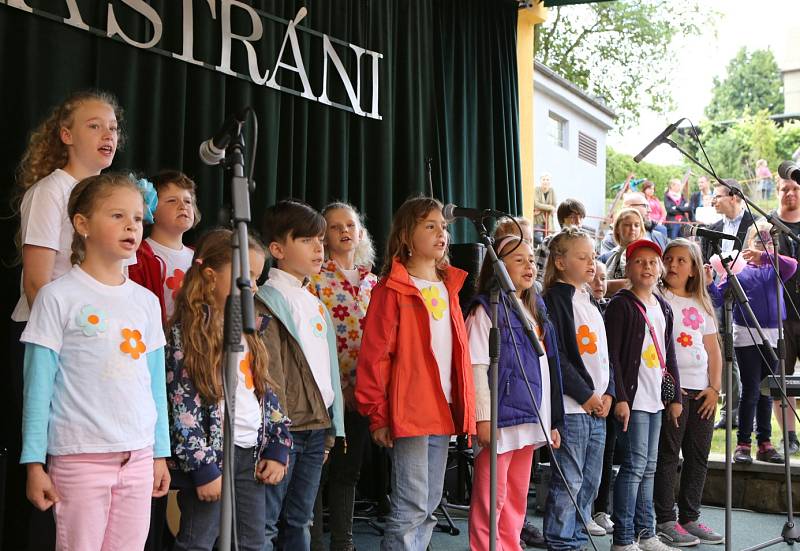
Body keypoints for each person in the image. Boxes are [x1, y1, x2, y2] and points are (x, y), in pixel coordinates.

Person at [20, 173, 170, 549]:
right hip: (79, 458)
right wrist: (34, 463)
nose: (131, 226)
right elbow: (37, 386)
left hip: (138, 457)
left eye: (137, 218)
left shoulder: (146, 302)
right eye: (117, 215)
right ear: (82, 224)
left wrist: (159, 454)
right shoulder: (58, 297)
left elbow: (155, 385)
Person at [8, 89, 124, 550]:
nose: (108, 135)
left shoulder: (111, 196)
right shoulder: (50, 191)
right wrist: (73, 348)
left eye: (114, 128)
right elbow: (37, 282)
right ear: (65, 134)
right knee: (59, 468)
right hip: (53, 341)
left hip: (99, 345)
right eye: (95, 125)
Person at [356, 196, 476, 551]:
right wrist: (377, 415)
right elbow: (375, 357)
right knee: (410, 504)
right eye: (430, 226)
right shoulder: (390, 291)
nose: (442, 234)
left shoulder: (448, 286)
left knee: (429, 503)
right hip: (409, 411)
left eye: (444, 227)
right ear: (407, 235)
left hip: (443, 407)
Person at [167, 229, 292, 551]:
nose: (252, 284)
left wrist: (277, 447)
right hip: (212, 458)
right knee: (198, 540)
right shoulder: (187, 336)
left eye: (256, 276)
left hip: (250, 454)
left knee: (253, 541)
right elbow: (182, 409)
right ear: (210, 276)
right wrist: (203, 467)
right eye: (245, 275)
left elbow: (266, 392)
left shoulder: (251, 332)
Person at [255, 200, 345, 550]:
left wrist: (331, 430)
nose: (319, 247)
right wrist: (273, 433)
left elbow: (329, 374)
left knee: (300, 520)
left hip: (315, 429)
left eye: (320, 239)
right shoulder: (267, 299)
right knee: (265, 525)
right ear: (277, 249)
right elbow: (270, 374)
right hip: (283, 430)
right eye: (306, 239)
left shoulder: (315, 302)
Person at [466, 235, 563, 551]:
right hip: (501, 419)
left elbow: (545, 372)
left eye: (531, 260)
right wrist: (483, 419)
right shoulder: (487, 310)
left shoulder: (534, 308)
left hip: (529, 418)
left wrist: (549, 420)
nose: (529, 266)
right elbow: (477, 367)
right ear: (497, 267)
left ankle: (510, 544)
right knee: (491, 496)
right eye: (518, 260)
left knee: (517, 494)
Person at [605, 239, 682, 551]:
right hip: (634, 401)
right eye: (639, 262)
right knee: (635, 466)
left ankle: (646, 533)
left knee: (649, 466)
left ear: (660, 268)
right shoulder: (621, 305)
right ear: (628, 267)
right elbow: (611, 358)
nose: (647, 267)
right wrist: (620, 396)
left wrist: (674, 397)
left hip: (655, 400)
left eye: (653, 262)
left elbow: (670, 354)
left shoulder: (662, 306)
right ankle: (623, 539)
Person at [310, 202, 378, 551]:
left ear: (360, 232)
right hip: (326, 393)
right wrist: (342, 386)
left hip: (365, 393)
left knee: (348, 471)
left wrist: (362, 387)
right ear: (324, 235)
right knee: (317, 471)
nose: (344, 231)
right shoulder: (316, 279)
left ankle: (344, 541)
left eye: (350, 224)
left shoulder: (374, 283)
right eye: (335, 227)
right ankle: (314, 542)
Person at [542, 228, 614, 550]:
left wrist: (609, 391)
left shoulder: (590, 300)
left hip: (597, 408)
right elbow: (558, 357)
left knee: (590, 481)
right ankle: (560, 541)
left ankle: (577, 537)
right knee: (569, 479)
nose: (591, 263)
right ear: (560, 262)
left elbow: (603, 355)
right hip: (573, 408)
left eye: (593, 256)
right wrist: (586, 395)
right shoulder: (554, 301)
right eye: (582, 257)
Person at [653, 239, 724, 546]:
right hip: (674, 391)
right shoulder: (658, 297)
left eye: (682, 260)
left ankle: (690, 517)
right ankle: (665, 518)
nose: (673, 264)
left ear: (694, 268)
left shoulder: (701, 304)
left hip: (702, 392)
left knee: (698, 455)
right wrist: (670, 389)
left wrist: (714, 387)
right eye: (668, 258)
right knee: (669, 455)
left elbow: (714, 349)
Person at [711, 221, 797, 464]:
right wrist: (710, 280)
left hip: (773, 335)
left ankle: (765, 443)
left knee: (768, 391)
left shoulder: (776, 266)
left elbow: (793, 265)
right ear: (748, 243)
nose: (764, 244)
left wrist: (766, 255)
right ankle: (743, 444)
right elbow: (718, 298)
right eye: (758, 240)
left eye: (769, 240)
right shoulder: (739, 269)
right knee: (750, 391)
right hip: (746, 336)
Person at [701, 179, 756, 431]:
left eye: (718, 195)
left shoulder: (753, 224)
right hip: (718, 296)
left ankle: (746, 410)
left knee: (745, 354)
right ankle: (729, 410)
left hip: (747, 296)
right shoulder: (712, 228)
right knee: (722, 351)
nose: (714, 200)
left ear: (734, 197)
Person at [128, 170, 201, 324]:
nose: (183, 206)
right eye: (172, 200)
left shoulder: (199, 256)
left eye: (188, 201)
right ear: (150, 208)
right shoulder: (139, 256)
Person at [771, 176, 800, 454]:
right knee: (782, 377)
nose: (790, 193)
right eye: (784, 189)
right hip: (779, 314)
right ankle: (789, 436)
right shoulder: (768, 225)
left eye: (795, 189)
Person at [535, 198, 587, 285]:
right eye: (573, 217)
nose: (578, 221)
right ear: (562, 220)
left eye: (581, 217)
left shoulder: (587, 244)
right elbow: (538, 273)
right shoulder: (549, 242)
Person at [600, 192, 667, 256]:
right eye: (645, 206)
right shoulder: (611, 238)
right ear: (629, 207)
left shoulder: (658, 235)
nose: (650, 210)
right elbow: (607, 264)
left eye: (636, 225)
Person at [600, 208, 646, 297]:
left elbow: (640, 285)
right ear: (617, 228)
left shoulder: (647, 254)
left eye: (636, 225)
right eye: (627, 225)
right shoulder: (606, 257)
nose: (633, 228)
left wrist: (605, 285)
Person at [534, 173, 557, 243]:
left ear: (550, 182)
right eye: (543, 179)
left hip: (549, 220)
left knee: (549, 240)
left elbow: (554, 204)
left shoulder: (552, 190)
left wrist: (549, 208)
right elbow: (536, 204)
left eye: (547, 180)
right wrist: (550, 207)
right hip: (538, 219)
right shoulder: (536, 189)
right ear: (540, 181)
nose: (545, 181)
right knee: (538, 239)